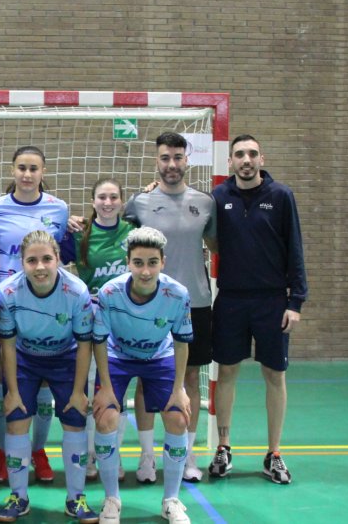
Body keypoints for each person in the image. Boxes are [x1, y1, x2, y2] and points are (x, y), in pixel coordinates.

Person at [209, 134, 307, 485]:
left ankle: (274, 453)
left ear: (261, 158)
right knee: (228, 372)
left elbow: (295, 249)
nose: (246, 159)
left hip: (272, 301)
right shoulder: (218, 197)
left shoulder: (280, 196)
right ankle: (224, 446)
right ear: (230, 162)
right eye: (239, 154)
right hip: (231, 299)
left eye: (252, 153)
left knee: (274, 375)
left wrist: (295, 301)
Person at [122, 132, 216, 483]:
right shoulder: (139, 203)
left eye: (178, 157)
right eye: (165, 158)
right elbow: (112, 229)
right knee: (148, 380)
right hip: (151, 304)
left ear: (186, 160)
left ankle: (187, 454)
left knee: (190, 377)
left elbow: (216, 242)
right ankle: (147, 458)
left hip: (196, 302)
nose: (172, 164)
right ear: (157, 161)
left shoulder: (205, 203)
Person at [0, 146, 71, 484]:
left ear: (43, 171)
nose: (27, 174)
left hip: (48, 304)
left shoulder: (59, 209)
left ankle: (38, 449)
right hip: (7, 301)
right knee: (6, 379)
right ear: (13, 170)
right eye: (21, 168)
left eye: (34, 168)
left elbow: (63, 253)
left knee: (43, 376)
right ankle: (5, 450)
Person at [90, 227, 194, 524]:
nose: (145, 270)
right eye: (138, 262)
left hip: (159, 356)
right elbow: (99, 340)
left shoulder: (177, 294)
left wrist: (179, 389)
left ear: (163, 262)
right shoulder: (110, 292)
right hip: (117, 356)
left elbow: (182, 342)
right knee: (106, 416)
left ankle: (171, 500)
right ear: (128, 263)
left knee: (178, 416)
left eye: (152, 262)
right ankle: (112, 500)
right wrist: (106, 388)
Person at [0, 230, 98, 524]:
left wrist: (79, 390)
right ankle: (19, 497)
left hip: (66, 358)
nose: (40, 267)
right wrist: (11, 390)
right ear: (22, 262)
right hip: (25, 359)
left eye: (47, 259)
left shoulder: (76, 292)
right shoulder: (9, 292)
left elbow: (85, 344)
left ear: (58, 260)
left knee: (75, 422)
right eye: (32, 260)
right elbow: (8, 346)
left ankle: (75, 498)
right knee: (16, 422)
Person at [68, 177, 134, 482]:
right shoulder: (80, 234)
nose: (108, 203)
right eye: (102, 198)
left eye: (113, 197)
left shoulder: (133, 232)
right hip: (90, 320)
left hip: (125, 319)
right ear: (93, 202)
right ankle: (89, 456)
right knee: (89, 388)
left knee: (115, 390)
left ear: (122, 201)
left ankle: (112, 454)